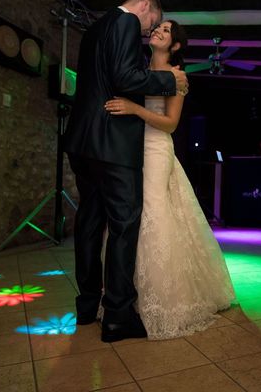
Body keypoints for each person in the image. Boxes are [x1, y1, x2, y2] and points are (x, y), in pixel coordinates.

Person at [63, 0, 189, 343]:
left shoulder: (94, 29)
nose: (150, 30)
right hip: (112, 142)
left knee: (89, 221)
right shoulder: (125, 22)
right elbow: (124, 78)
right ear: (146, 7)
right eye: (153, 22)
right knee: (124, 223)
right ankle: (117, 315)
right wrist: (170, 81)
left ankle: (87, 305)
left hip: (83, 140)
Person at [104, 20, 235, 339]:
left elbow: (170, 123)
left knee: (154, 212)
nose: (157, 31)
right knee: (128, 217)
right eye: (157, 27)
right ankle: (124, 295)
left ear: (175, 46)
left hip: (156, 148)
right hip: (129, 151)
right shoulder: (136, 66)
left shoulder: (178, 78)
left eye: (166, 31)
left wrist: (134, 108)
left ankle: (163, 301)